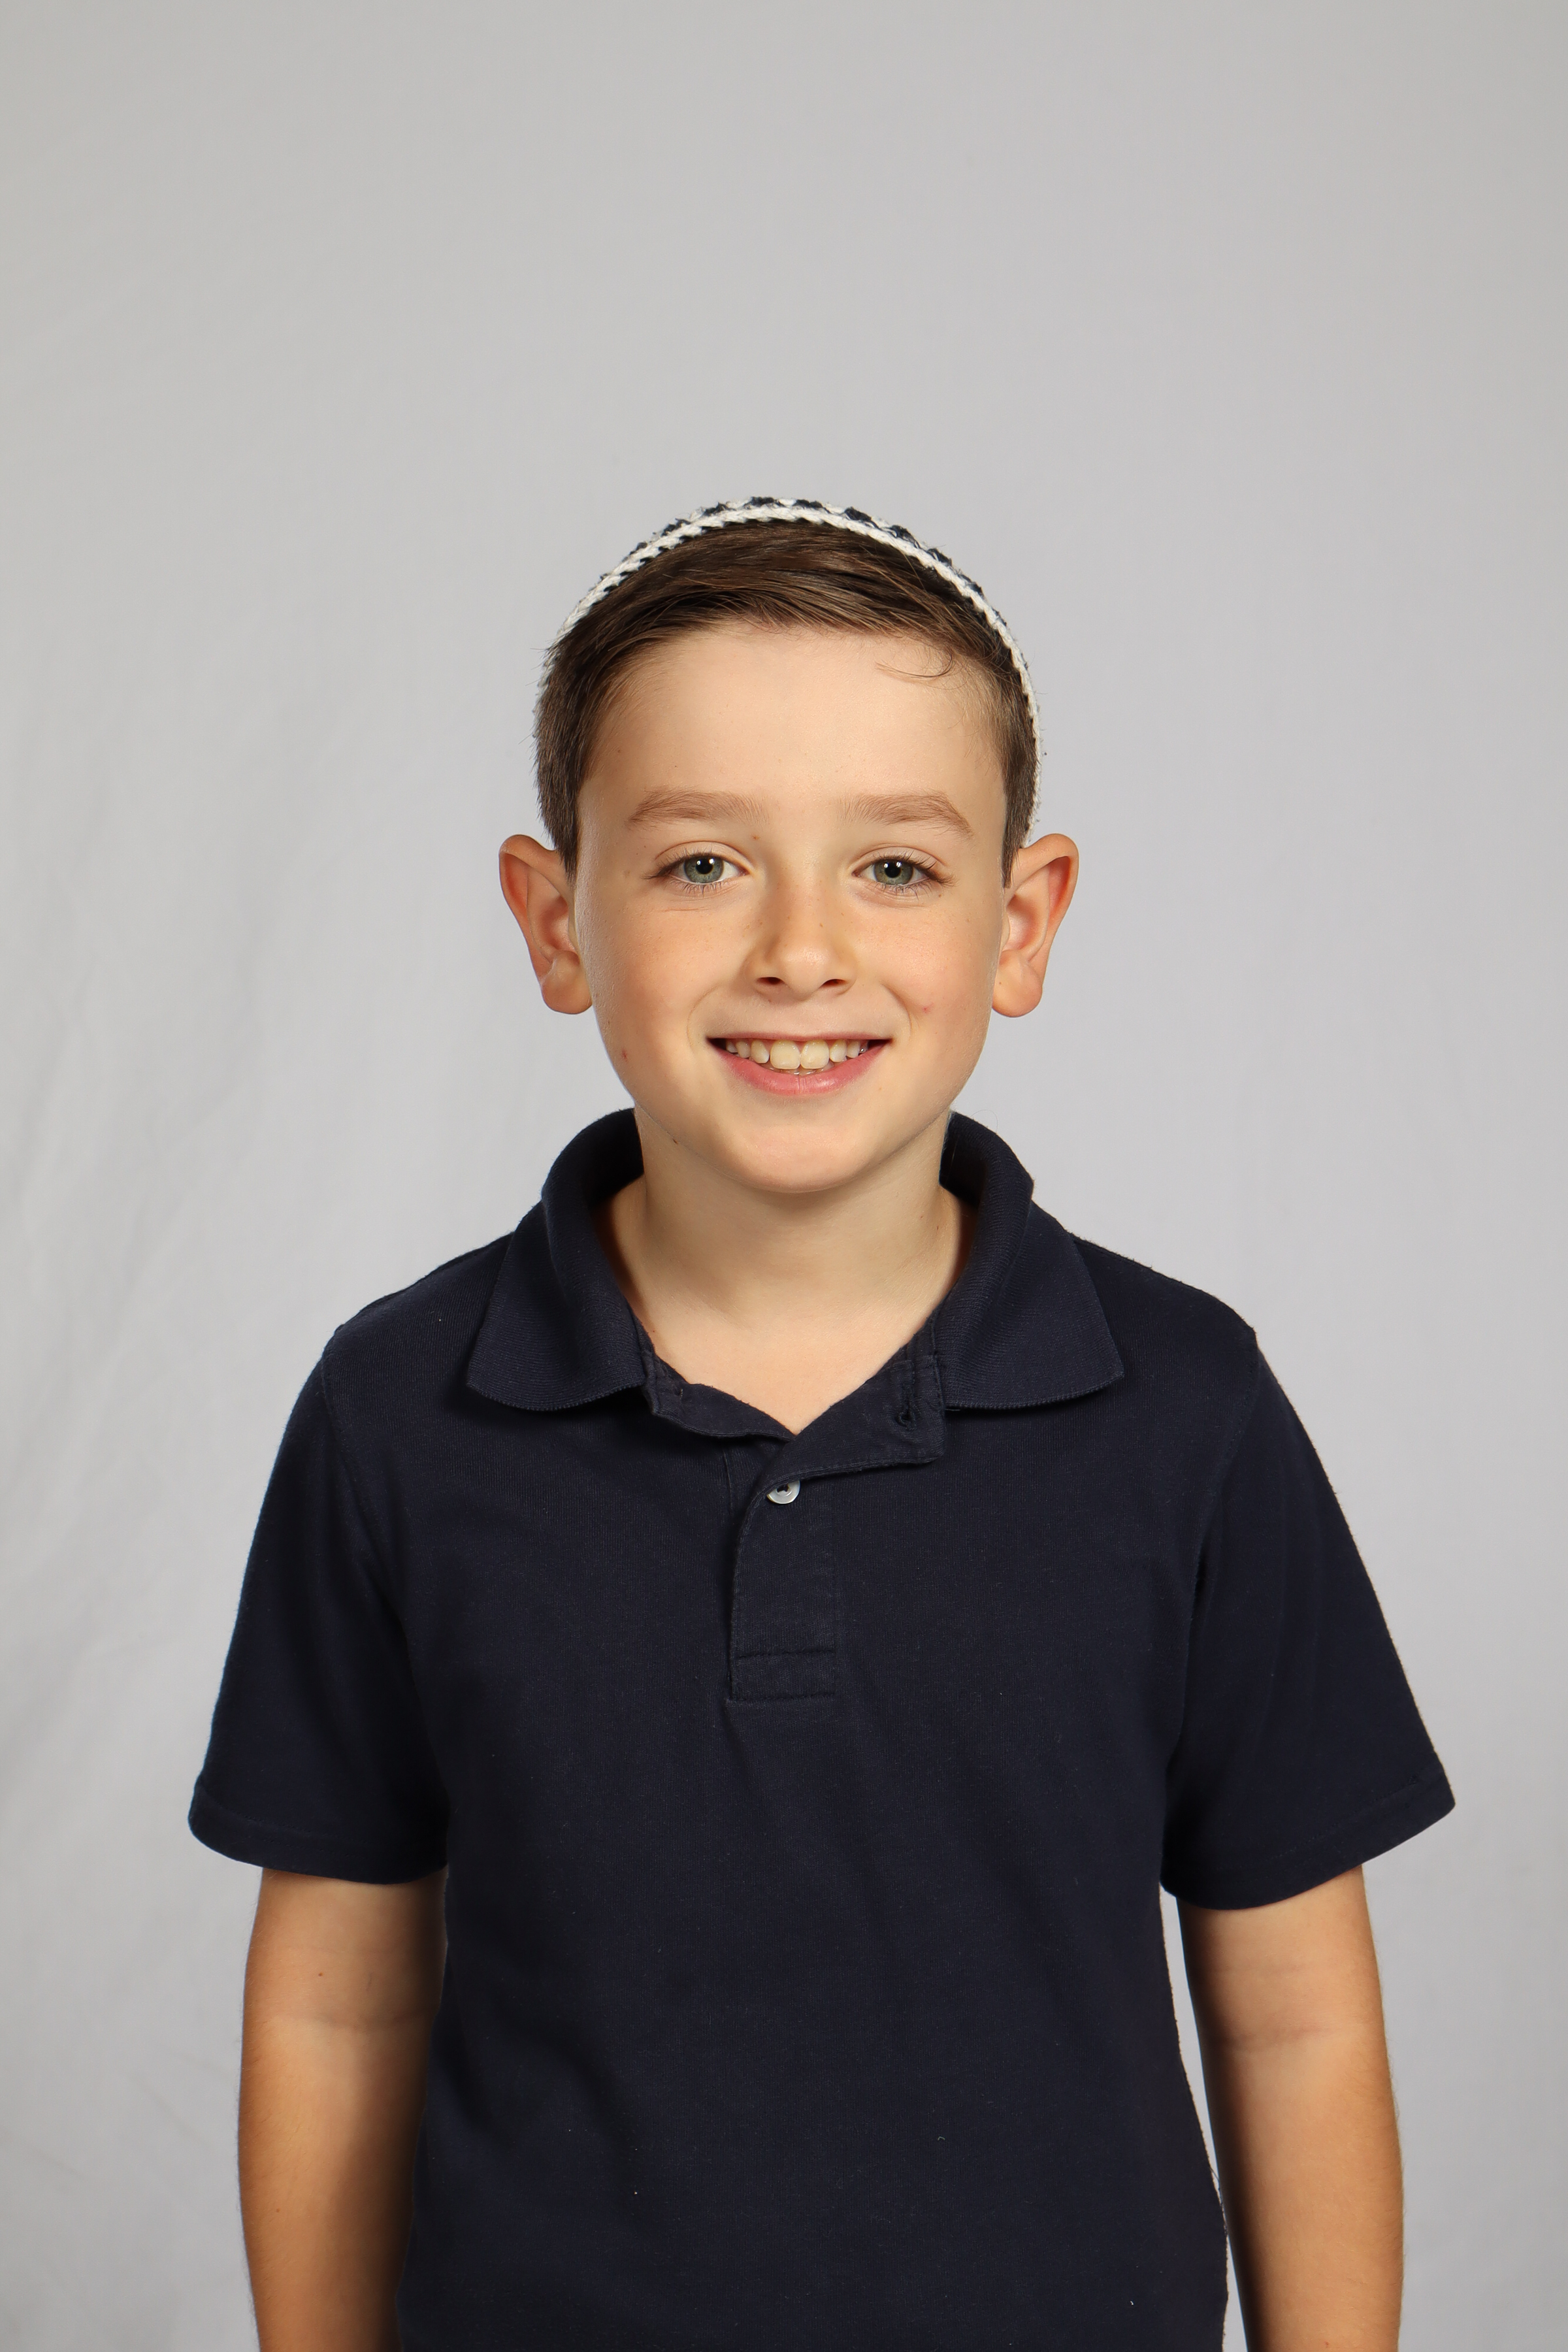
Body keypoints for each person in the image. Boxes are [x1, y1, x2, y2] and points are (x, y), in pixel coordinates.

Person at [191, 499, 1453, 2352]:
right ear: (555, 920)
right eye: (704, 864)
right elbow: (336, 2002)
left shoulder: (1188, 1409)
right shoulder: (399, 1413)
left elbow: (1296, 2015)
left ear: (1022, 924)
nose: (801, 950)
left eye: (895, 867)